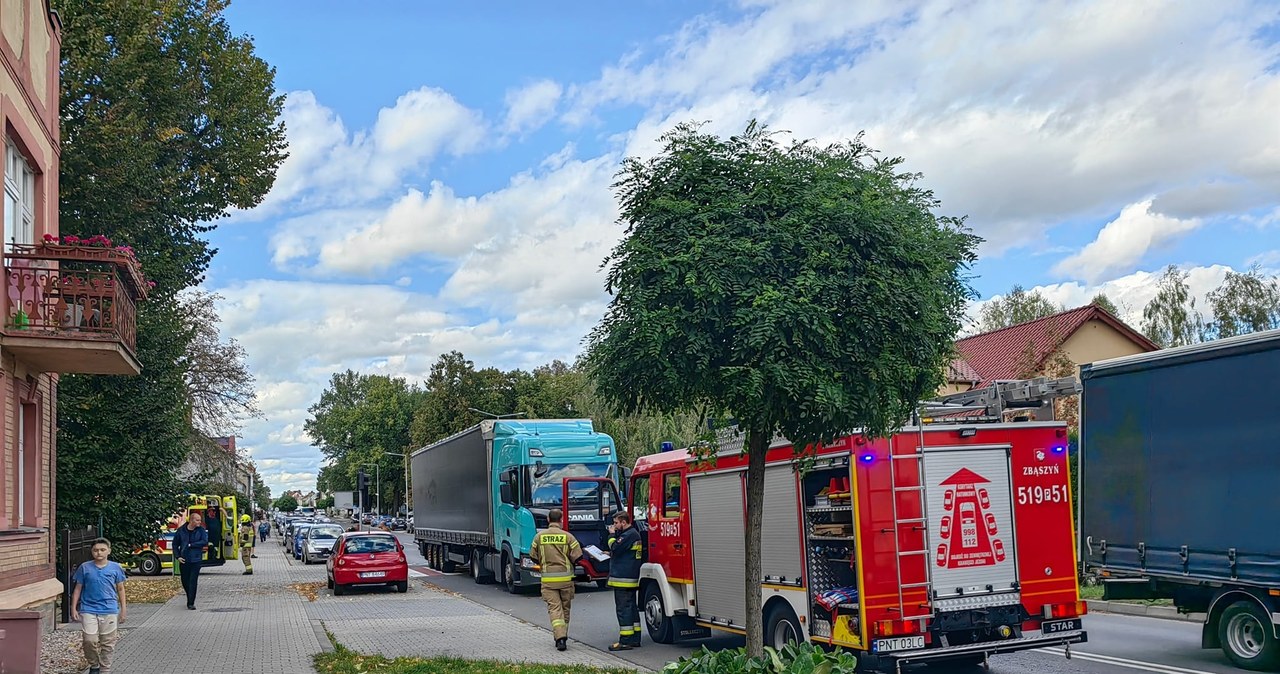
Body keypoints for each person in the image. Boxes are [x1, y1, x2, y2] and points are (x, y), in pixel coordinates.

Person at [529, 508, 582, 651]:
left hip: (548, 581)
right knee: (565, 609)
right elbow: (578, 556)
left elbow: (532, 556)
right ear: (561, 520)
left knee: (554, 609)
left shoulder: (539, 537)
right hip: (566, 580)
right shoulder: (568, 537)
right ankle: (563, 637)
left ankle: (560, 638)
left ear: (548, 520)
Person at [71, 538, 127, 674]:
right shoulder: (85, 567)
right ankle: (94, 664)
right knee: (89, 640)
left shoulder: (116, 568)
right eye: (96, 550)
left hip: (109, 609)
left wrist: (123, 609)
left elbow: (120, 589)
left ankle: (105, 669)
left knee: (108, 643)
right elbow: (78, 588)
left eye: (102, 550)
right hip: (88, 608)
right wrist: (73, 608)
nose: (99, 553)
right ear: (92, 552)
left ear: (109, 551)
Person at [606, 511, 643, 651]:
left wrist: (610, 535)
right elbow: (624, 552)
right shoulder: (632, 534)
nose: (614, 526)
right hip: (629, 577)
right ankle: (635, 638)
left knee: (624, 610)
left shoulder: (628, 534)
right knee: (631, 608)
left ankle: (626, 640)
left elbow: (615, 546)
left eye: (616, 523)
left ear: (624, 522)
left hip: (623, 579)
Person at [173, 510, 209, 609]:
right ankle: (189, 595)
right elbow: (175, 544)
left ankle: (190, 602)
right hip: (184, 559)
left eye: (200, 520)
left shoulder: (201, 530)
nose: (199, 522)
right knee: (185, 581)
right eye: (197, 520)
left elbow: (204, 541)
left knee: (193, 581)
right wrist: (178, 556)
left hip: (196, 559)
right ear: (191, 521)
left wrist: (191, 545)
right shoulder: (181, 531)